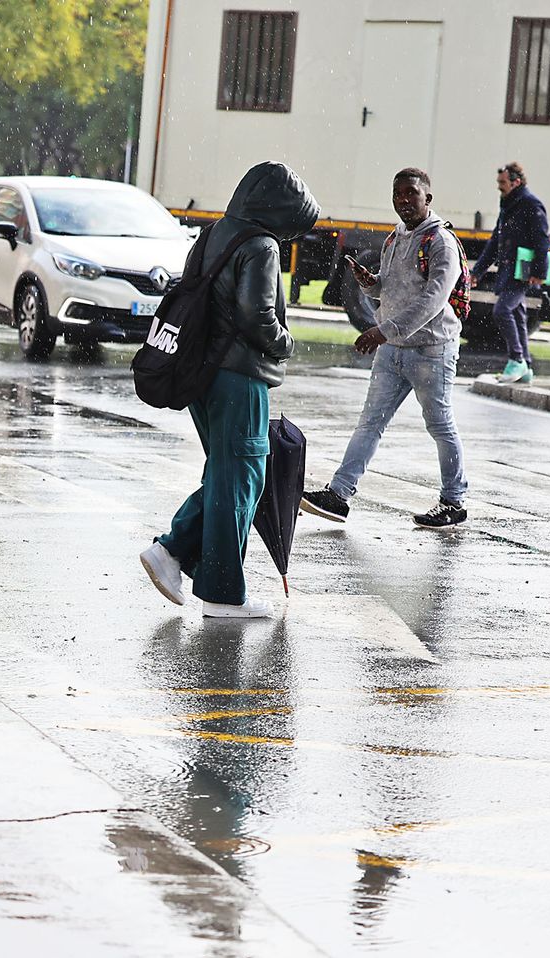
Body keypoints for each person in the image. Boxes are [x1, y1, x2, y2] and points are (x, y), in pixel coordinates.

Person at [139, 161, 320, 619]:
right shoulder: (261, 245)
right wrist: (286, 342)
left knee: (229, 472)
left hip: (203, 372)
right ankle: (215, 586)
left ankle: (180, 556)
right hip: (239, 376)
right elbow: (255, 315)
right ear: (279, 210)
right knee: (242, 475)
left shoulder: (215, 232)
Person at [300, 167, 468, 530]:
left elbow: (433, 300)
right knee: (369, 423)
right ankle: (339, 495)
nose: (403, 201)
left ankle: (454, 501)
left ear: (428, 198)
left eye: (411, 193)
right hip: (393, 350)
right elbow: (389, 290)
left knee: (440, 426)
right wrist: (369, 284)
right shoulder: (396, 237)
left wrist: (382, 331)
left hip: (431, 350)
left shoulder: (440, 242)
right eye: (398, 195)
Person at [470, 161, 549, 385]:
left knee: (502, 311)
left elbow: (542, 240)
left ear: (516, 182)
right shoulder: (509, 203)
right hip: (509, 267)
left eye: (502, 182)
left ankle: (516, 359)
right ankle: (525, 366)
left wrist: (538, 271)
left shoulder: (530, 204)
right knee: (517, 314)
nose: (499, 187)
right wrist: (478, 272)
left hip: (522, 270)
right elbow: (496, 240)